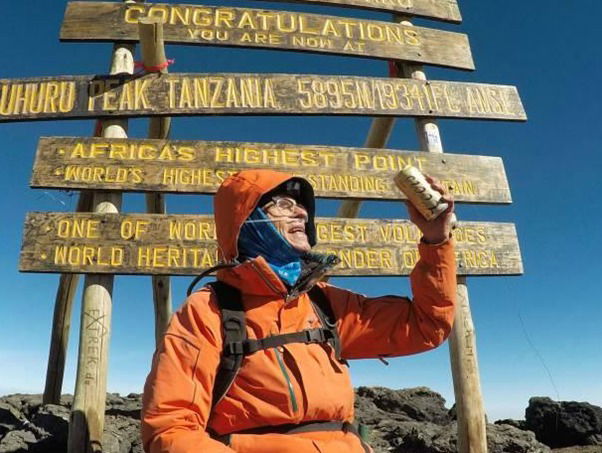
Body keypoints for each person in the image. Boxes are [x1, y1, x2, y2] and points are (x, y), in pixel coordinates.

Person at [141, 168, 457, 453]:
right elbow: (171, 428)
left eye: (302, 206)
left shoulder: (325, 303)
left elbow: (426, 326)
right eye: (284, 205)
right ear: (245, 220)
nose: (302, 214)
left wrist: (436, 239)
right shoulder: (208, 310)